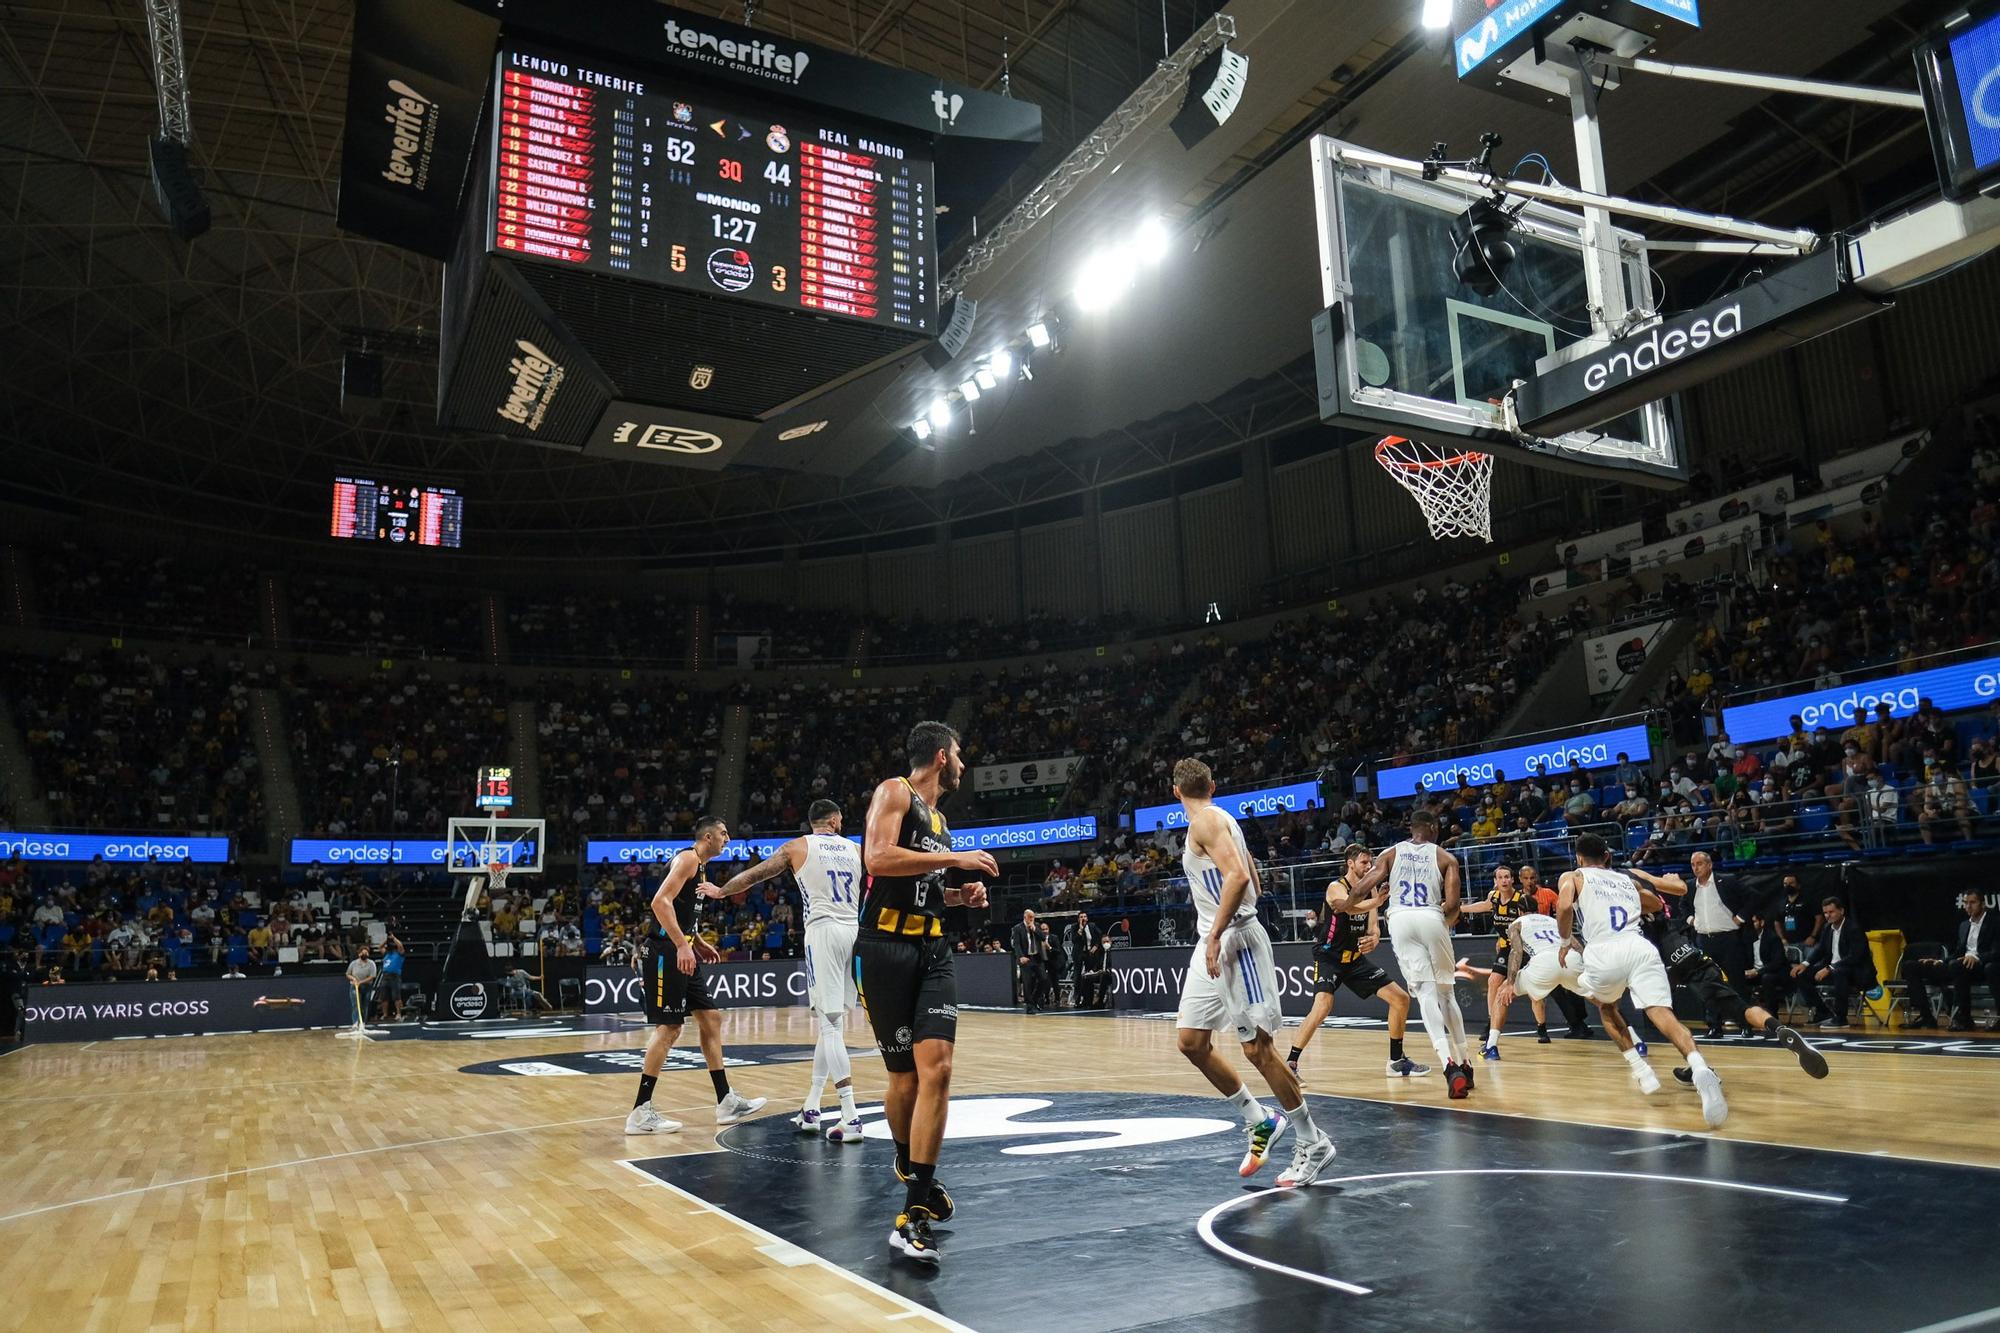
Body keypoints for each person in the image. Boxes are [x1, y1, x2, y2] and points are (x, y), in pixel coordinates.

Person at [858, 721, 995, 1268]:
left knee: (936, 1070)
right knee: (904, 1080)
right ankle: (907, 1161)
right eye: (959, 755)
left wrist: (961, 894)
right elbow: (877, 859)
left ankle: (912, 1211)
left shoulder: (941, 821)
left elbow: (927, 888)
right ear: (941, 757)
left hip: (932, 949)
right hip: (884, 950)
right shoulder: (896, 792)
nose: (963, 764)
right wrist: (953, 861)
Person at [1169, 757, 1335, 1188]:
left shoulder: (1204, 821)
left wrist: (1217, 932)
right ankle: (1259, 1119)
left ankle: (1313, 1141)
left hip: (1232, 941)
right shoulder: (1221, 819)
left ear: (1176, 793)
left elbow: (1240, 876)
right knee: (1191, 1040)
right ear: (1214, 784)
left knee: (1258, 1050)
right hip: (1216, 940)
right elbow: (1253, 877)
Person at [709, 800, 866, 1140]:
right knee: (833, 1024)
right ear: (836, 820)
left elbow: (756, 875)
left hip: (822, 931)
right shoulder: (857, 848)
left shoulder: (797, 847)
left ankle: (850, 1115)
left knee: (829, 1026)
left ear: (811, 823)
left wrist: (722, 891)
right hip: (854, 933)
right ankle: (811, 1107)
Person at [1556, 835, 1728, 1127]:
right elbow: (1655, 905)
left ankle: (1640, 1068)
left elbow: (1563, 907)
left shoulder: (1574, 875)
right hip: (1640, 948)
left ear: (1580, 858)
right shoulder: (1627, 879)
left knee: (1607, 1007)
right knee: (1663, 1014)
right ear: (1607, 857)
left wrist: (1563, 940)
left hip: (1604, 950)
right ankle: (1698, 1067)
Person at [625, 817, 769, 1137]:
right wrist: (681, 944)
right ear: (708, 836)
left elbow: (680, 909)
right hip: (666, 952)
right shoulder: (689, 858)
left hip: (682, 950)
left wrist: (696, 941)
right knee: (670, 1029)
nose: (728, 838)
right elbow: (660, 902)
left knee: (711, 1019)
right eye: (723, 833)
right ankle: (640, 1111)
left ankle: (725, 1101)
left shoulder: (701, 866)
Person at [1632, 889, 1828, 1084]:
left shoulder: (1625, 914)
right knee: (1740, 1007)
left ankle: (1698, 1065)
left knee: (1663, 1016)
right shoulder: (1653, 902)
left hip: (1661, 963)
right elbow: (1676, 887)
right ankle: (1778, 1028)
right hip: (1689, 952)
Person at [1351, 808, 1476, 1098]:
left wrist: (1349, 903)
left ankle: (1448, 1066)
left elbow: (1365, 885)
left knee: (1427, 995)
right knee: (1447, 993)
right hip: (1432, 916)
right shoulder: (1446, 857)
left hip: (1401, 919)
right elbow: (1454, 904)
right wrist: (1440, 926)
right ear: (1432, 827)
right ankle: (1466, 1063)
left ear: (1411, 828)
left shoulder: (1391, 853)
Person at [1287, 845, 1429, 1080]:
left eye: (1370, 862)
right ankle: (1291, 1062)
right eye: (1364, 862)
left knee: (1401, 999)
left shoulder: (1371, 889)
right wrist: (1378, 901)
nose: (1368, 866)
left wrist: (1374, 938)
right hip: (1329, 956)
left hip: (1354, 959)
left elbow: (1373, 924)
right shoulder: (1335, 887)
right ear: (1350, 864)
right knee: (1323, 1005)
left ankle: (1395, 1061)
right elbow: (1350, 908)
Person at [1455, 863, 1536, 1059]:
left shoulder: (1521, 899)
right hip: (1508, 948)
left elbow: (1532, 924)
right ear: (1495, 882)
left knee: (1537, 993)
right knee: (1493, 982)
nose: (1505, 880)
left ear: (1512, 879)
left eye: (1507, 877)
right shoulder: (1493, 897)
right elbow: (1483, 906)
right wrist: (1459, 908)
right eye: (1500, 877)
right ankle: (1491, 1023)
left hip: (1526, 948)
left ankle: (1549, 1026)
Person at [1899, 890, 1999, 1031]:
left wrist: (1976, 957)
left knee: (1957, 965)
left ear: (1983, 904)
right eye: (1965, 903)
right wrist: (1940, 961)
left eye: (1972, 902)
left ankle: (1963, 1018)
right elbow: (1958, 952)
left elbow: (1997, 952)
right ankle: (1926, 1017)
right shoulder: (1964, 925)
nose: (1968, 906)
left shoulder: (1995, 922)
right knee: (1911, 966)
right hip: (1958, 965)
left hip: (1980, 966)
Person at [1686, 851, 1754, 1039]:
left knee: (1736, 983)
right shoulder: (1690, 886)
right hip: (1703, 940)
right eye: (1693, 864)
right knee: (1708, 984)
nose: (1696, 867)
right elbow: (1683, 906)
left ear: (1709, 865)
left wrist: (1740, 917)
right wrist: (1691, 919)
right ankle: (1714, 1025)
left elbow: (1753, 897)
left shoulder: (1727, 880)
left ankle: (1745, 1024)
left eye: (1699, 863)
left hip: (1728, 939)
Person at [1790, 896, 1877, 1029]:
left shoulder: (1853, 928)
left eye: (1831, 912)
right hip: (1834, 969)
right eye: (1825, 913)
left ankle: (1841, 1018)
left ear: (1841, 911)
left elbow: (1855, 956)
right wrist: (1805, 963)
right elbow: (1820, 949)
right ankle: (1823, 1012)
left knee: (1839, 972)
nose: (1827, 916)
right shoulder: (1827, 928)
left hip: (1856, 971)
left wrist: (1830, 968)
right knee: (1801, 974)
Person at [1011, 908, 1047, 1013]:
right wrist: (1020, 956)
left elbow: (1043, 937)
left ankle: (1034, 1000)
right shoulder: (1017, 928)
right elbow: (1016, 944)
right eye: (1030, 917)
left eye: (1033, 917)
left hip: (1036, 957)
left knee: (1044, 979)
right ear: (1025, 917)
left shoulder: (1036, 926)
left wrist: (1035, 929)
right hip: (1025, 958)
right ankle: (1030, 1006)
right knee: (1027, 983)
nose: (1031, 919)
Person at [374, 934, 405, 1022]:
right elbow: (380, 947)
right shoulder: (386, 954)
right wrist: (386, 940)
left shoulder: (399, 954)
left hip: (395, 976)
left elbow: (400, 945)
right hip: (385, 976)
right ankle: (385, 1014)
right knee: (384, 996)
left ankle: (398, 1013)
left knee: (396, 996)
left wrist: (394, 938)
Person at [345, 945, 377, 1024]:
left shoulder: (371, 963)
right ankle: (355, 1022)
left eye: (366, 953)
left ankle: (363, 1022)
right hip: (355, 986)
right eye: (362, 953)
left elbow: (372, 976)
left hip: (366, 987)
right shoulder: (353, 963)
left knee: (365, 1005)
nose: (364, 954)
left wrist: (361, 982)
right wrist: (353, 979)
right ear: (359, 954)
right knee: (356, 1005)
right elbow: (348, 974)